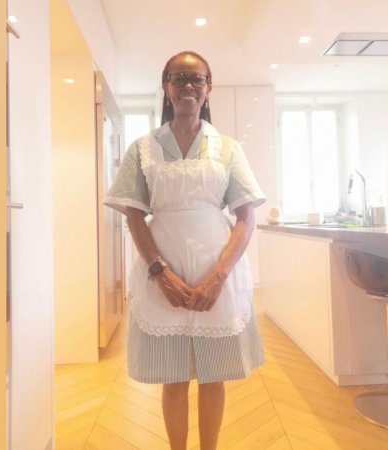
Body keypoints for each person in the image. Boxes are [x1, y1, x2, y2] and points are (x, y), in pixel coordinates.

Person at [104, 51, 266, 450]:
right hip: (162, 272)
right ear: (166, 86)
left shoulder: (227, 148)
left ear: (209, 87)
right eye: (178, 78)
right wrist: (160, 272)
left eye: (197, 79)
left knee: (213, 375)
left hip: (218, 273)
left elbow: (246, 217)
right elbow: (134, 216)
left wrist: (218, 277)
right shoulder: (142, 148)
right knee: (174, 376)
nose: (188, 86)